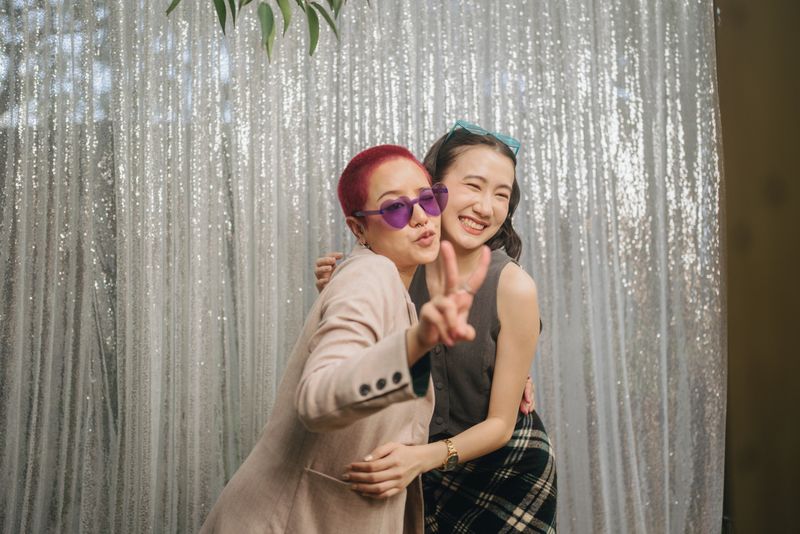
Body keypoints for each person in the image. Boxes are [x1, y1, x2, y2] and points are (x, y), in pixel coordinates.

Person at [199, 144, 490, 534]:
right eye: (395, 208)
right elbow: (318, 399)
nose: (421, 217)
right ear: (358, 228)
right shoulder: (369, 277)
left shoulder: (389, 281)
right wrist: (417, 341)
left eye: (426, 198)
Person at [315, 121, 557, 532]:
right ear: (433, 189)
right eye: (473, 186)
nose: (486, 207)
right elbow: (364, 362)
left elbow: (500, 425)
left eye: (502, 194)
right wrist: (340, 285)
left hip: (504, 469)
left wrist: (420, 458)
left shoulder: (514, 287)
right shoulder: (394, 269)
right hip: (418, 471)